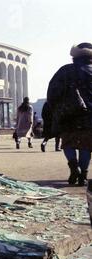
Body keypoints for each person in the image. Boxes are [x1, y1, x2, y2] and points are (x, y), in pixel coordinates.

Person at [47, 43, 92, 186]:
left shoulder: (64, 71)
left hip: (68, 115)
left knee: (68, 143)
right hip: (89, 117)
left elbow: (52, 93)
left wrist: (57, 109)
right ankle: (83, 175)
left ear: (74, 57)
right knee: (86, 146)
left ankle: (74, 167)